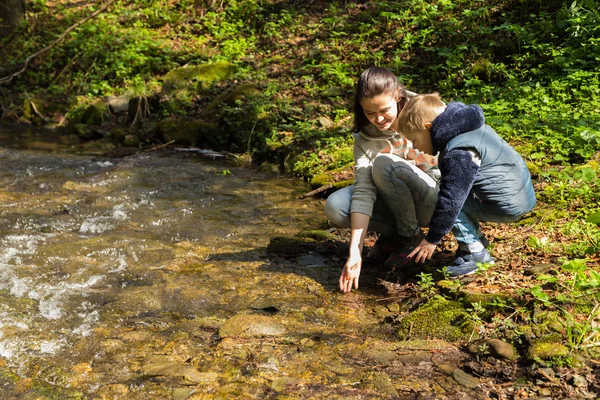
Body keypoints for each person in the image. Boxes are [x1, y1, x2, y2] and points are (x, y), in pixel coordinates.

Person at [323, 67, 441, 293]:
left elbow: (459, 162)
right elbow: (364, 191)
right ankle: (395, 234)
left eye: (384, 110)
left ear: (399, 95)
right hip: (396, 200)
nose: (378, 119)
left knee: (384, 164)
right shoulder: (364, 138)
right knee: (336, 206)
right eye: (369, 112)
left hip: (433, 201)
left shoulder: (427, 110)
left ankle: (409, 236)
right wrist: (355, 253)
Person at [398, 93, 537, 277]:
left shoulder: (459, 150)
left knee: (447, 201)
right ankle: (477, 241)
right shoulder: (467, 130)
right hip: (521, 195)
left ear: (428, 128)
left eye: (414, 140)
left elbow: (452, 199)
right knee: (452, 194)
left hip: (509, 203)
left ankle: (475, 253)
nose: (415, 148)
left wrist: (432, 239)